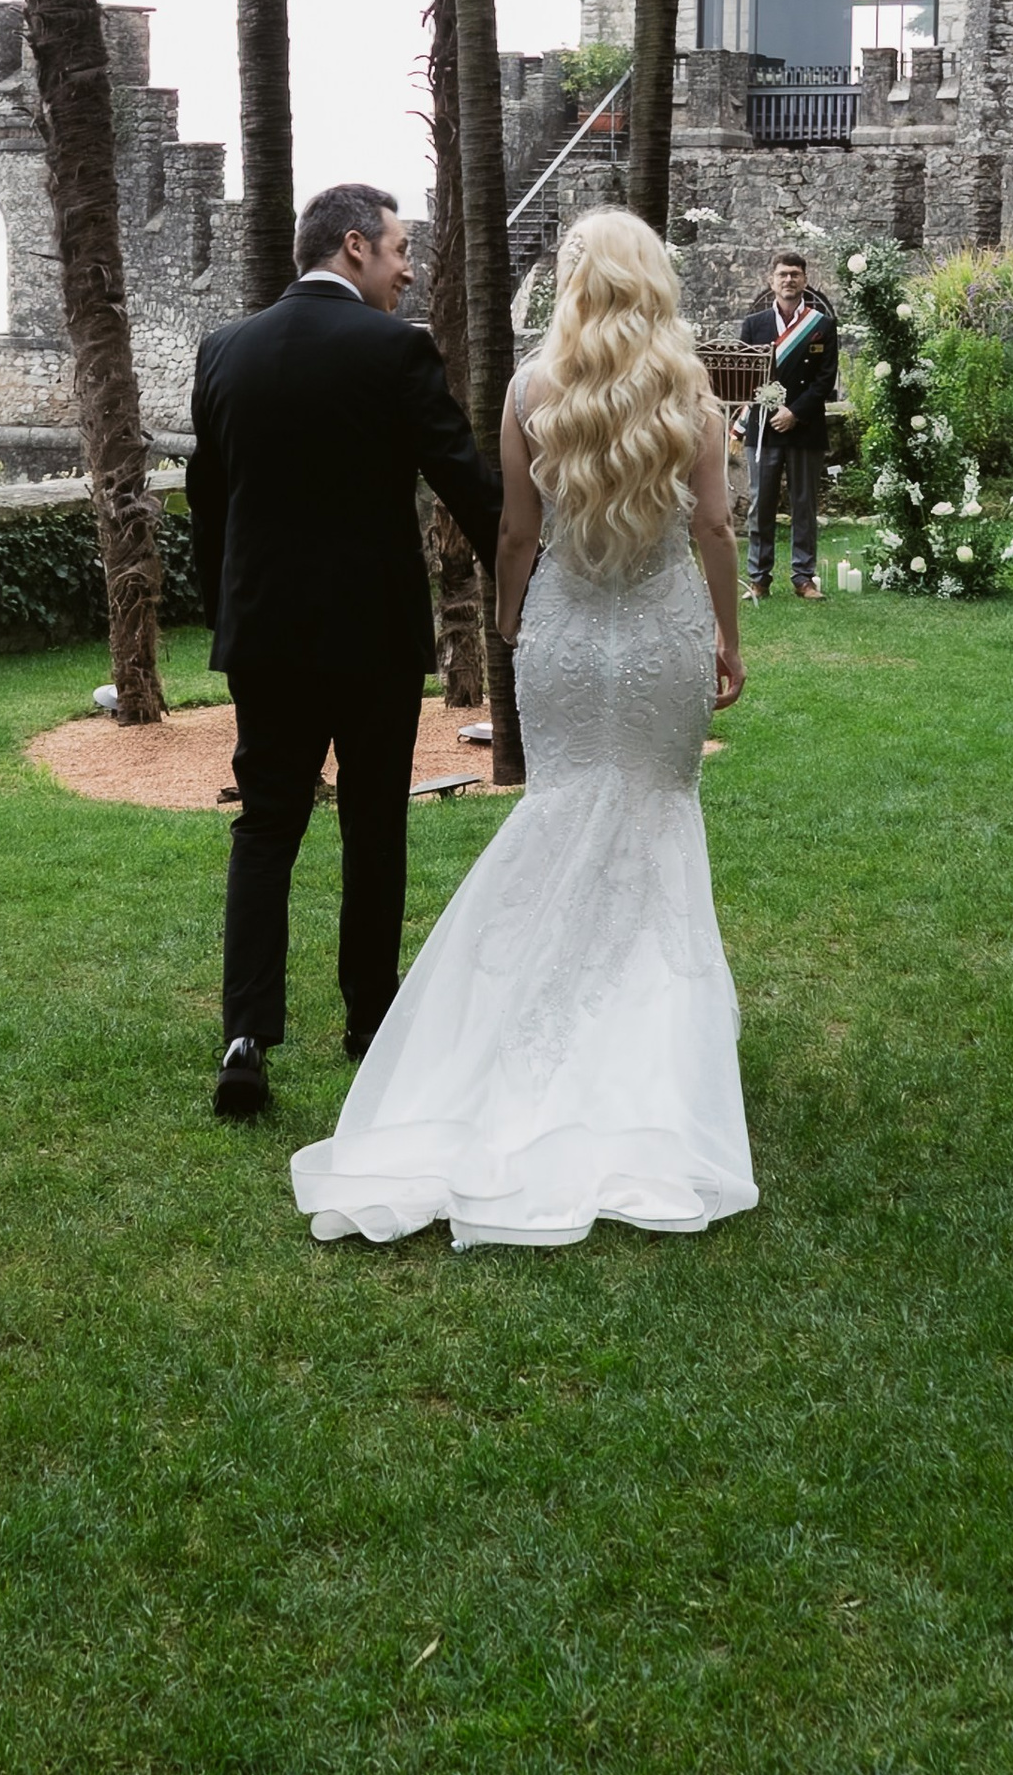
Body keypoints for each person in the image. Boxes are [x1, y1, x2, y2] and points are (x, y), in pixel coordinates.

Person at [290, 208, 756, 1252]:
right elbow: (715, 525)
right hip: (662, 634)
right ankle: (651, 1046)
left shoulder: (530, 389)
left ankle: (517, 1032)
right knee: (654, 816)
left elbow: (513, 529)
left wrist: (512, 622)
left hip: (565, 634)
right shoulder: (688, 390)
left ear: (574, 285)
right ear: (652, 283)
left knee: (560, 811)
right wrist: (728, 637)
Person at [187, 181, 500, 1123]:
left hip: (265, 637)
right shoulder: (395, 349)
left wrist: (227, 612)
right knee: (373, 824)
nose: (409, 270)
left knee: (266, 826)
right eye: (401, 249)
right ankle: (371, 1022)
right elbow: (464, 482)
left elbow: (210, 504)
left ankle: (245, 1038)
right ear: (356, 245)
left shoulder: (225, 350)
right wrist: (530, 580)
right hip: (372, 638)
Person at [739, 248, 838, 602]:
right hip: (763, 428)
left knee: (804, 505)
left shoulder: (822, 326)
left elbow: (825, 379)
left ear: (805, 280)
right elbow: (745, 374)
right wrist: (772, 408)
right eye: (783, 274)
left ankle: (803, 577)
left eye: (795, 274)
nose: (789, 280)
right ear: (772, 281)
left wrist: (794, 412)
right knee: (760, 505)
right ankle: (759, 578)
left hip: (805, 427)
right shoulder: (754, 324)